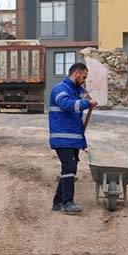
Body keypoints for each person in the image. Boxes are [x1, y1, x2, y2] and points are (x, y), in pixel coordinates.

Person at [49, 62, 98, 215]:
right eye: (84, 77)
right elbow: (66, 104)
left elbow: (77, 121)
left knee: (69, 168)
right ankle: (68, 202)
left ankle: (58, 203)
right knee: (69, 167)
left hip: (72, 139)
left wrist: (82, 143)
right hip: (62, 138)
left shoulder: (76, 91)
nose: (84, 80)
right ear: (77, 73)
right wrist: (86, 102)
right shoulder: (60, 89)